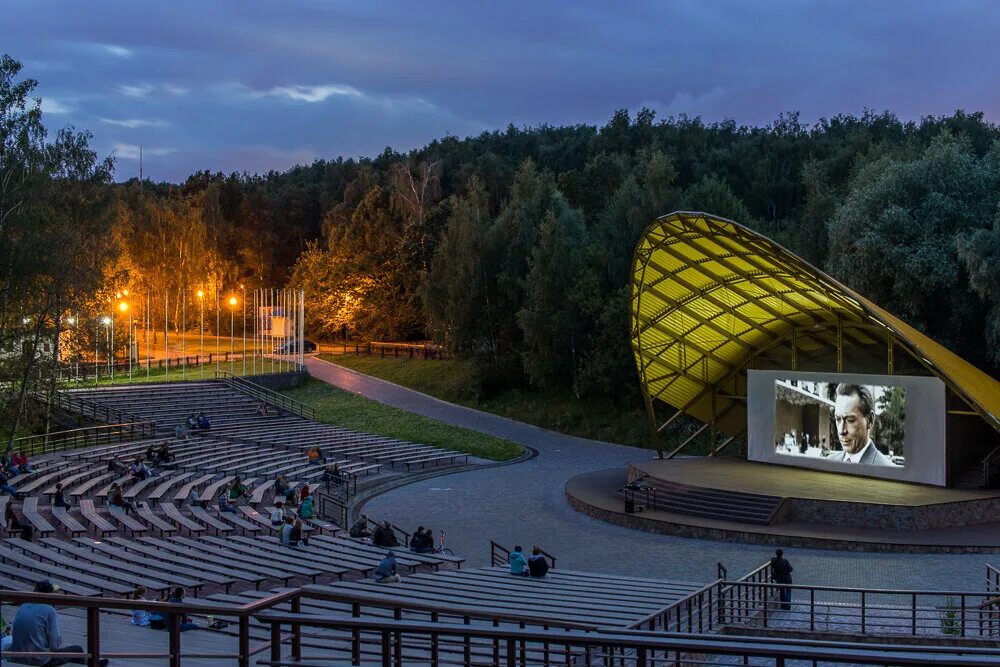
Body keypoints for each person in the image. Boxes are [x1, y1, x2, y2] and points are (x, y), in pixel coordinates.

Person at [10, 580, 109, 666]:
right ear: (49, 595)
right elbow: (54, 646)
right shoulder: (49, 610)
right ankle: (92, 664)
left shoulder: (23, 607)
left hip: (17, 658)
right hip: (38, 662)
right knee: (77, 650)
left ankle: (89, 663)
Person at [825, 384, 894, 466]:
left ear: (869, 420)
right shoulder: (829, 462)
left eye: (850, 420)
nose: (841, 431)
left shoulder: (887, 471)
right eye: (838, 419)